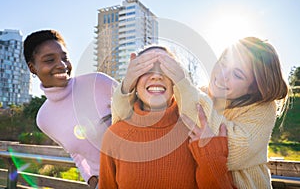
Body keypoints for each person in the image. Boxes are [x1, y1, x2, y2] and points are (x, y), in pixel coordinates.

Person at [112, 37, 288, 188]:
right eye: (223, 64)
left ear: (254, 88)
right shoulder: (197, 96)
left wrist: (182, 84)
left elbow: (230, 153)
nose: (222, 75)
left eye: (238, 75)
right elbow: (124, 122)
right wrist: (128, 84)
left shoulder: (261, 109)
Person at [99, 46, 236, 188]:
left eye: (166, 69)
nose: (156, 76)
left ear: (176, 81)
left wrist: (211, 157)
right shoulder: (114, 136)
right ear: (134, 81)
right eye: (146, 69)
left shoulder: (198, 131)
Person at [23, 30, 118, 188]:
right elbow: (75, 153)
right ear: (32, 68)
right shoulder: (44, 118)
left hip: (139, 172)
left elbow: (142, 113)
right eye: (49, 60)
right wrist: (90, 178)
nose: (61, 65)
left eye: (64, 58)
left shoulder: (98, 82)